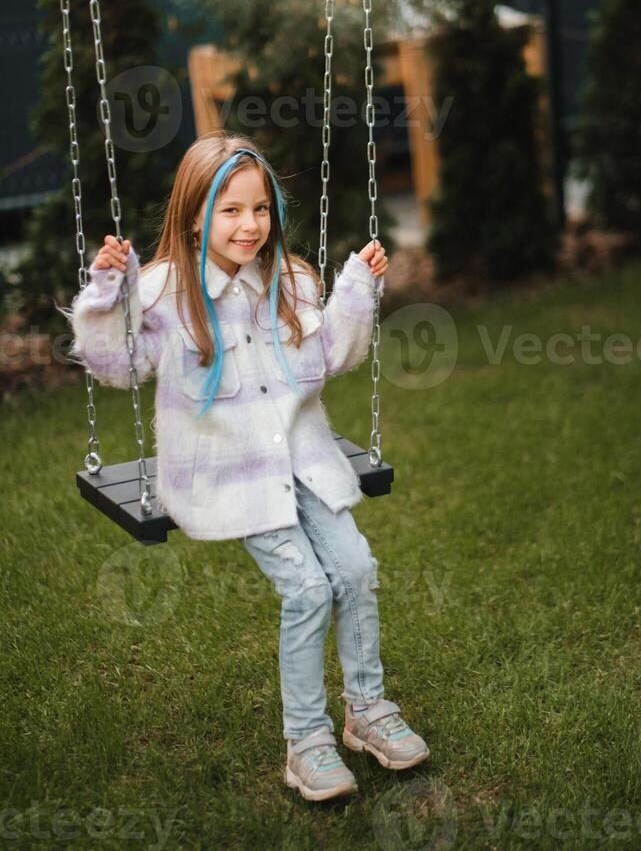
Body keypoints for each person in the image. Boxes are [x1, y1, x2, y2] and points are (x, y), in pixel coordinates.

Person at [64, 130, 429, 802]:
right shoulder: (166, 292)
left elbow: (328, 360)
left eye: (260, 210)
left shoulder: (288, 282)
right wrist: (109, 290)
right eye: (230, 210)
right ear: (194, 213)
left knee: (355, 568)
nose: (249, 225)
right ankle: (307, 741)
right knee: (309, 590)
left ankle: (367, 712)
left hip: (302, 458)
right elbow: (116, 366)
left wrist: (355, 292)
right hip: (224, 474)